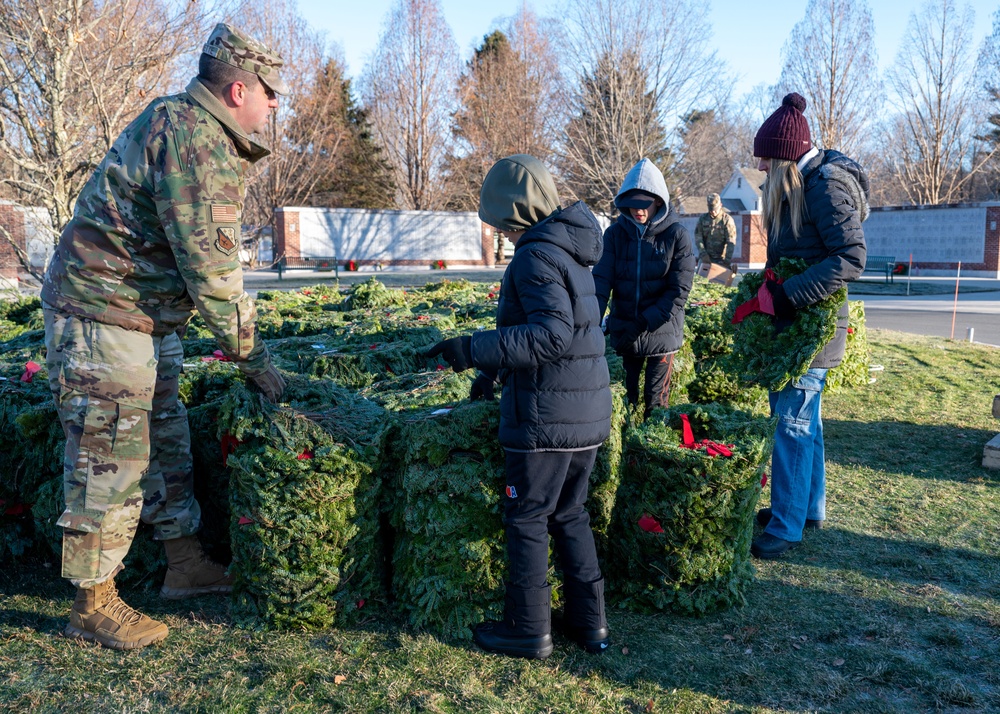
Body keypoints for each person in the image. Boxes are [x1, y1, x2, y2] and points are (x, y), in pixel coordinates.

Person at [41, 23, 288, 650]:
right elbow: (214, 276)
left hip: (145, 316)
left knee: (164, 435)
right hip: (105, 313)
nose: (275, 103)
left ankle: (184, 563)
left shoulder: (190, 127)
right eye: (270, 91)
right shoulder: (195, 141)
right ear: (238, 90)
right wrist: (254, 359)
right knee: (110, 453)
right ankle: (92, 605)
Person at [426, 154, 612, 660]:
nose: (502, 234)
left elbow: (548, 337)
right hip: (585, 414)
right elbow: (555, 329)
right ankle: (589, 624)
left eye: (501, 223)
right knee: (570, 513)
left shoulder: (536, 256)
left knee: (527, 515)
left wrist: (470, 350)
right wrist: (492, 374)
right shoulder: (570, 249)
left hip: (546, 417)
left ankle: (527, 629)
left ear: (516, 212)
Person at [749, 92, 867, 559]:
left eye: (765, 159)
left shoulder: (824, 187)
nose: (760, 167)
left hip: (812, 328)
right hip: (798, 324)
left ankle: (786, 524)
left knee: (791, 424)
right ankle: (805, 508)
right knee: (805, 422)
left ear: (786, 159)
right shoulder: (802, 186)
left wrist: (789, 294)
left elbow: (852, 257)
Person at [592, 158, 696, 418]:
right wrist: (591, 321)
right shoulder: (614, 235)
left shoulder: (677, 236)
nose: (637, 211)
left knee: (655, 403)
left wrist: (642, 323)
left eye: (644, 204)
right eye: (632, 204)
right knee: (622, 401)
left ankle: (651, 450)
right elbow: (601, 282)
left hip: (661, 333)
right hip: (624, 332)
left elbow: (678, 293)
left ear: (658, 201)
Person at [694, 193, 738, 271]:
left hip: (721, 260)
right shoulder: (703, 219)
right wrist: (703, 254)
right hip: (705, 258)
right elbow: (698, 238)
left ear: (720, 205)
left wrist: (727, 261)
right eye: (711, 210)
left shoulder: (727, 220)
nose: (713, 212)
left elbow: (731, 242)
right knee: (700, 280)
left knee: (719, 282)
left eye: (715, 209)